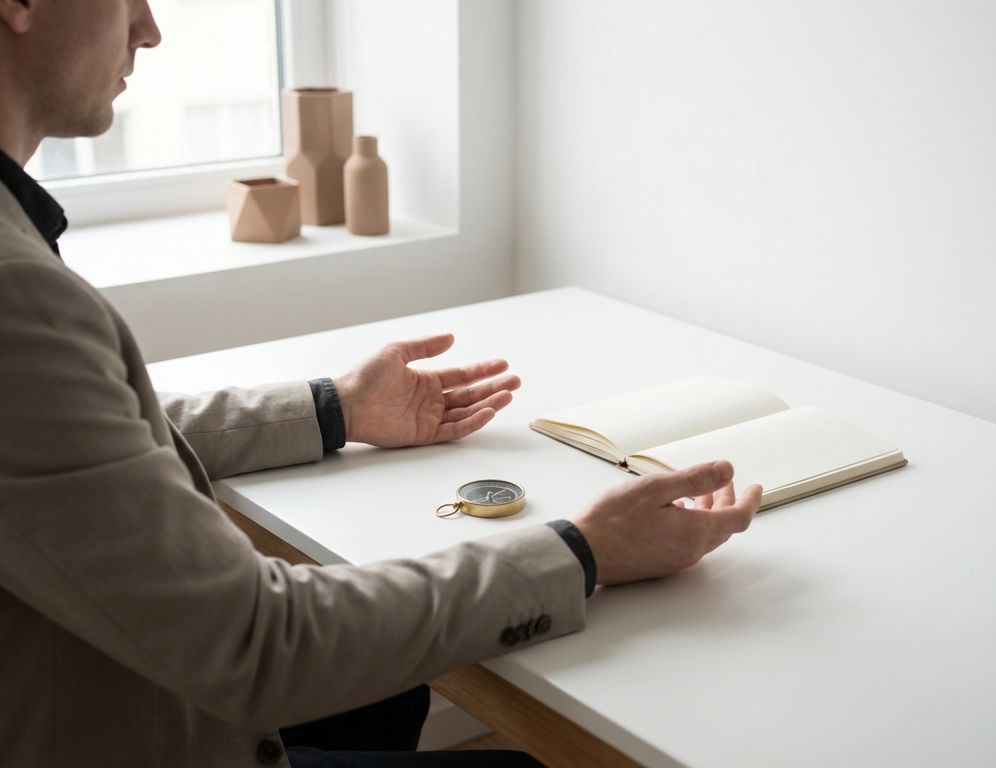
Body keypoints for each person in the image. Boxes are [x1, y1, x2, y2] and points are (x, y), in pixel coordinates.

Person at [0, 1, 763, 766]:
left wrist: (336, 409)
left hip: (99, 680)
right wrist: (584, 551)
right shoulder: (16, 295)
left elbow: (89, 429)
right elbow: (259, 643)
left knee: (387, 688)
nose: (148, 27)